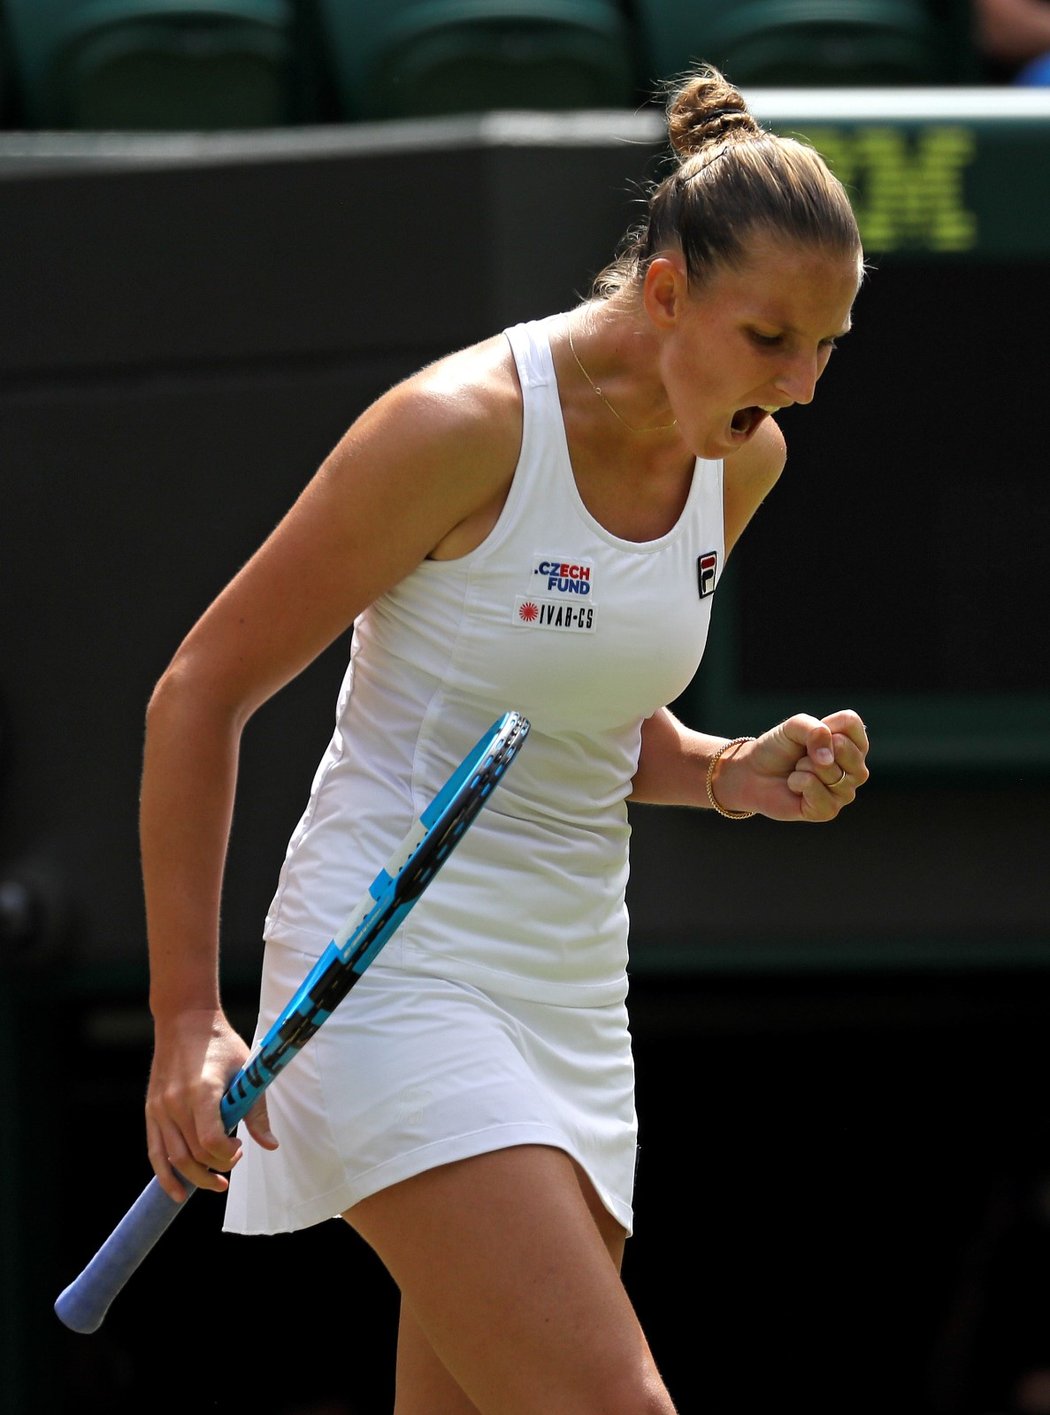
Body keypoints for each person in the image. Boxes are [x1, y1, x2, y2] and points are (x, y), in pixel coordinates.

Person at [142, 64, 870, 1414]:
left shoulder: (744, 452)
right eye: (772, 338)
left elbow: (592, 722)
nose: (805, 384)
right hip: (389, 980)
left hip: (572, 994)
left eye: (829, 342)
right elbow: (199, 689)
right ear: (665, 295)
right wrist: (186, 1019)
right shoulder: (454, 431)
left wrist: (725, 772)